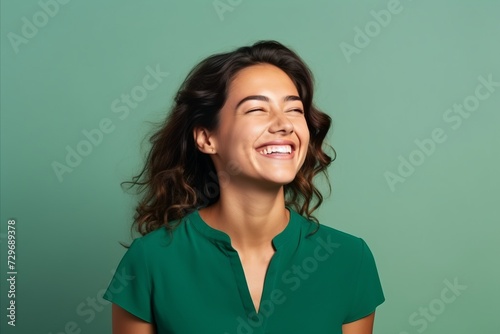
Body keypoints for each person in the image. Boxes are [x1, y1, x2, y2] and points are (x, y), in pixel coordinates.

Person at [103, 40, 385, 334]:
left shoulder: (349, 259)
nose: (284, 125)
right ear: (206, 138)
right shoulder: (150, 261)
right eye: (256, 110)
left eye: (294, 110)